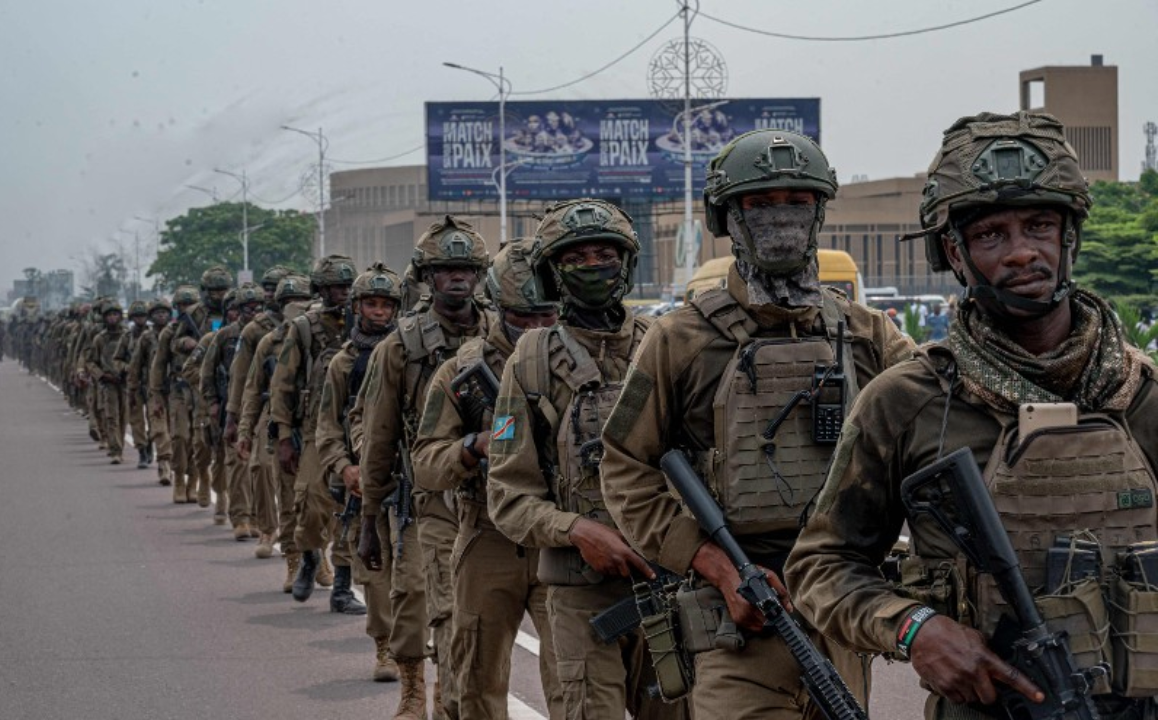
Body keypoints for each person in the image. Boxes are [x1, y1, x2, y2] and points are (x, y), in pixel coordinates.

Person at [785, 111, 1158, 720]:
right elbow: (821, 565)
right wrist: (914, 628)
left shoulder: (1140, 393)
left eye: (1039, 225)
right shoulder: (906, 401)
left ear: (1069, 236)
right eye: (990, 235)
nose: (1021, 253)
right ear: (954, 256)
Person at [600, 129, 912, 719]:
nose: (781, 218)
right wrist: (715, 567)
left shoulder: (869, 335)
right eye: (760, 202)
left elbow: (931, 446)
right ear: (729, 217)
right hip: (734, 617)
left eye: (798, 201)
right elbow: (625, 466)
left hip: (841, 606)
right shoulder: (679, 340)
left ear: (819, 213)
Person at [487, 199, 688, 720]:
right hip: (581, 596)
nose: (594, 266)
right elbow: (507, 496)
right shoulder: (530, 362)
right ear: (553, 272)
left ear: (627, 262)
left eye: (606, 253)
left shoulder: (664, 344)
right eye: (577, 257)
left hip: (670, 585)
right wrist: (577, 529)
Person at [411, 238, 564, 719]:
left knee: (574, 679)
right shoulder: (462, 371)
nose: (537, 329)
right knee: (475, 680)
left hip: (559, 538)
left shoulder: (575, 364)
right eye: (523, 318)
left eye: (547, 317)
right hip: (488, 535)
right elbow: (425, 462)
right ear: (497, 307)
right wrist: (471, 447)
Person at [356, 216, 494, 720]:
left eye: (465, 270)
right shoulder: (400, 346)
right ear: (427, 277)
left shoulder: (503, 334)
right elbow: (379, 437)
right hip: (428, 501)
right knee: (423, 601)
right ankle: (417, 689)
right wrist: (370, 519)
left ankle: (453, 698)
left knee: (479, 617)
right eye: (445, 270)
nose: (457, 279)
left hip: (495, 497)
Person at [316, 262, 403, 676]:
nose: (379, 312)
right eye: (371, 303)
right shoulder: (343, 365)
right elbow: (328, 427)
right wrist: (344, 467)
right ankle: (385, 647)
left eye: (387, 305)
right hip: (363, 485)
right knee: (375, 573)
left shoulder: (412, 355)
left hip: (410, 480)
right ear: (356, 307)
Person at [269, 255, 358, 606]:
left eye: (349, 286)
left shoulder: (367, 323)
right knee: (310, 505)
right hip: (315, 433)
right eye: (337, 286)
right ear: (321, 290)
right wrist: (282, 436)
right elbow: (283, 386)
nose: (345, 293)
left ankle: (343, 587)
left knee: (353, 512)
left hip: (360, 432)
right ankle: (308, 557)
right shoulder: (305, 328)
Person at [236, 274, 314, 588]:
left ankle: (318, 554)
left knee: (321, 500)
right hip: (279, 422)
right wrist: (242, 427)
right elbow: (251, 388)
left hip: (319, 425)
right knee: (284, 491)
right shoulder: (266, 340)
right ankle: (293, 561)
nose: (297, 307)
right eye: (288, 303)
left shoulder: (326, 335)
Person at [88, 300, 129, 464]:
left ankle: (120, 446)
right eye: (109, 315)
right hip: (108, 383)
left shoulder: (128, 336)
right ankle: (115, 450)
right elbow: (91, 362)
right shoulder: (100, 339)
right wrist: (101, 375)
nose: (112, 318)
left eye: (115, 314)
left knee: (123, 417)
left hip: (125, 382)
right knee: (111, 417)